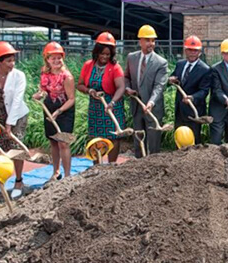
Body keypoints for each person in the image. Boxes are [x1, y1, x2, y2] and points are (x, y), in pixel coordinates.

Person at [0, 41, 29, 198]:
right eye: (8, 60)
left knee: (15, 147)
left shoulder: (18, 75)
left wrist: (10, 123)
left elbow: (17, 99)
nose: (12, 63)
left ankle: (18, 181)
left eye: (13, 60)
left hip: (17, 115)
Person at [77, 32, 125, 162]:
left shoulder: (115, 68)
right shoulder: (88, 65)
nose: (104, 57)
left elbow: (121, 87)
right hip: (95, 107)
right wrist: (90, 91)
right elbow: (80, 85)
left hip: (111, 106)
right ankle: (97, 166)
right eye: (102, 53)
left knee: (113, 137)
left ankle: (112, 166)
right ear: (97, 52)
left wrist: (112, 103)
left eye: (107, 54)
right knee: (95, 138)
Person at [33, 42, 75, 182]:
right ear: (47, 59)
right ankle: (56, 172)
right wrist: (39, 95)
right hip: (49, 108)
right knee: (53, 141)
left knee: (63, 142)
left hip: (64, 110)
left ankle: (68, 175)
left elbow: (72, 99)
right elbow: (43, 90)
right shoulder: (44, 73)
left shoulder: (67, 76)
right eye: (53, 58)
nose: (56, 61)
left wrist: (59, 111)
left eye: (59, 58)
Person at [123, 25, 168, 157]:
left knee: (153, 146)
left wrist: (151, 102)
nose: (151, 44)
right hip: (137, 107)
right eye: (147, 40)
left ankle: (154, 172)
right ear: (140, 41)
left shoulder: (161, 62)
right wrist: (127, 88)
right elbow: (126, 77)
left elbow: (159, 86)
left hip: (153, 109)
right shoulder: (131, 58)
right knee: (138, 143)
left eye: (153, 40)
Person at [168, 35, 211, 143]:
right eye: (190, 50)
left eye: (195, 50)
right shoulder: (180, 64)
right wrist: (171, 80)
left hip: (193, 112)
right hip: (180, 111)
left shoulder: (205, 69)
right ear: (185, 50)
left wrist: (192, 97)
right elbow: (173, 79)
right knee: (179, 139)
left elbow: (204, 91)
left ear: (200, 52)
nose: (192, 53)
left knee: (193, 141)